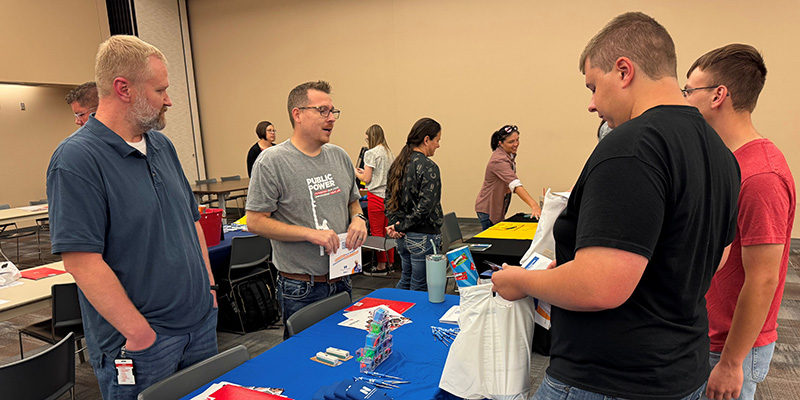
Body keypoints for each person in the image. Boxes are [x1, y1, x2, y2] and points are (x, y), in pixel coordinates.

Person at [491, 12, 741, 399]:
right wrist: (578, 271)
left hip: (609, 377)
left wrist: (520, 281)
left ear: (624, 71)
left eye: (593, 86)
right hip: (681, 369)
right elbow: (712, 258)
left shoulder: (631, 147)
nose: (591, 104)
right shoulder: (720, 153)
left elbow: (600, 287)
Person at [46, 35, 217, 399]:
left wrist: (210, 291)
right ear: (123, 89)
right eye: (160, 90)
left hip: (200, 324)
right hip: (144, 344)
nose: (168, 100)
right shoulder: (77, 159)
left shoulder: (161, 145)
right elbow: (81, 261)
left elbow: (191, 222)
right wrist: (139, 333)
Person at [683, 44, 796, 400]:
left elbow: (763, 278)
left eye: (689, 91)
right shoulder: (725, 159)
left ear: (718, 95)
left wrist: (731, 363)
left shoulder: (762, 176)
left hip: (731, 349)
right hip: (706, 331)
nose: (684, 99)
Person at [246, 81, 367, 338]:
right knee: (305, 357)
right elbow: (255, 221)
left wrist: (358, 218)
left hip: (342, 278)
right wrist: (309, 234)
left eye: (333, 111)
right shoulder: (272, 162)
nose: (331, 118)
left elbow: (352, 201)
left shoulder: (339, 156)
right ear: (298, 114)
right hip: (301, 288)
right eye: (322, 110)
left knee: (345, 351)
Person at [385, 117, 443, 291]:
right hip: (422, 235)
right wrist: (400, 226)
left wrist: (396, 225)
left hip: (403, 236)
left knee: (406, 279)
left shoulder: (398, 164)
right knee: (420, 286)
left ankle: (394, 307)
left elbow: (388, 198)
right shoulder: (429, 167)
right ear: (426, 140)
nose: (438, 145)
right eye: (437, 140)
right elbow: (425, 207)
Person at [474, 124, 541, 230]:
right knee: (493, 238)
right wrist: (534, 205)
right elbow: (515, 184)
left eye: (517, 140)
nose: (516, 144)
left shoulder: (508, 155)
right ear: (500, 143)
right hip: (488, 208)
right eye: (511, 142)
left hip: (498, 205)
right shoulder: (498, 160)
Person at [354, 124, 395, 275]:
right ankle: (390, 262)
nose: (366, 140)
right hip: (388, 197)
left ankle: (381, 266)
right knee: (388, 231)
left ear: (371, 137)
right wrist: (364, 172)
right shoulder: (389, 153)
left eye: (367, 138)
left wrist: (355, 172)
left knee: (377, 232)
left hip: (376, 196)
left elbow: (366, 178)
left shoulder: (370, 153)